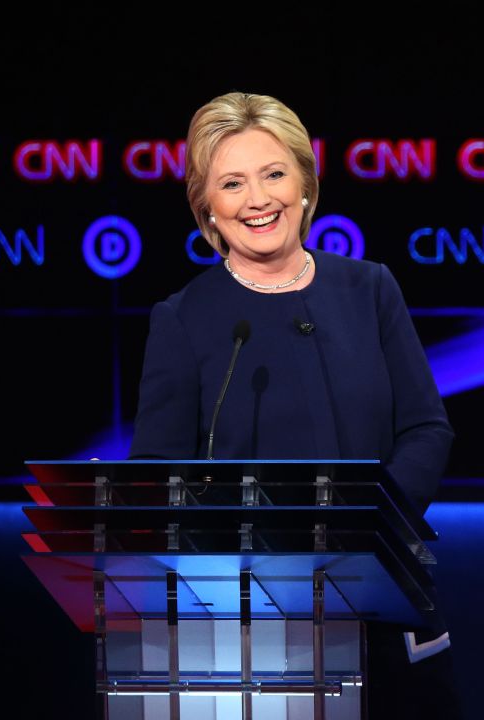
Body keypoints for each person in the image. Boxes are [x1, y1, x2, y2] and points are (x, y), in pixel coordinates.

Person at [128, 92, 459, 716]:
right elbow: (158, 478)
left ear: (305, 184)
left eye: (274, 173)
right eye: (232, 182)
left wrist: (370, 527)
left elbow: (425, 428)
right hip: (252, 629)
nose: (258, 199)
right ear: (208, 206)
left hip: (384, 603)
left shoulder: (370, 288)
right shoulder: (183, 318)